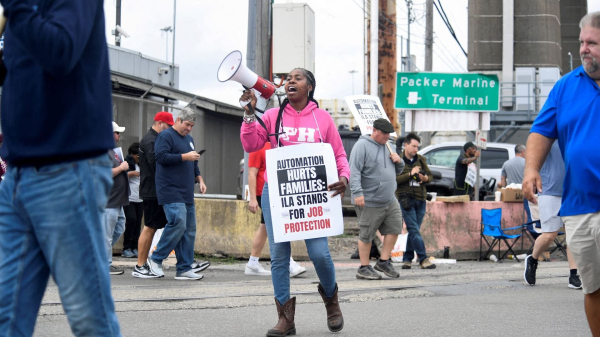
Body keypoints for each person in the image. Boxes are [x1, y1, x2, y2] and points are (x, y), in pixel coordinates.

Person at [0, 0, 122, 335]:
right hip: (17, 175)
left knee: (90, 320)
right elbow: (24, 68)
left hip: (68, 169)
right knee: (5, 318)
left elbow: (61, 51)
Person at [240, 68, 348, 335]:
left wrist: (344, 178)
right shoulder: (272, 116)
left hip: (312, 194)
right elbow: (251, 143)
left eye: (297, 78)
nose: (290, 81)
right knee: (279, 256)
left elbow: (339, 154)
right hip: (276, 195)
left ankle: (331, 302)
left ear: (309, 86)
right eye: (288, 78)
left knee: (320, 254)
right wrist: (249, 113)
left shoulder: (323, 118)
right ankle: (285, 319)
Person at [522, 12, 600, 336]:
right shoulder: (565, 87)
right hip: (580, 205)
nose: (584, 49)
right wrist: (530, 168)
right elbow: (541, 132)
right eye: (582, 42)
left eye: (592, 43)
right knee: (593, 289)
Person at [133, 111, 210, 279]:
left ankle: (184, 267)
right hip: (170, 189)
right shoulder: (165, 136)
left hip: (186, 190)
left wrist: (200, 179)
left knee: (189, 229)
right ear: (178, 120)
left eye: (192, 126)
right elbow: (161, 157)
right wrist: (185, 157)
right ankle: (156, 258)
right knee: (178, 222)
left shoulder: (189, 140)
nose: (189, 129)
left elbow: (194, 162)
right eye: (187, 124)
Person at [349, 118, 404, 281]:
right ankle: (364, 267)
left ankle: (384, 261)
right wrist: (357, 192)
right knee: (366, 234)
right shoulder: (362, 146)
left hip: (389, 199)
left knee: (395, 228)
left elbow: (398, 171)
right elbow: (354, 170)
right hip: (369, 200)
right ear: (375, 131)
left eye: (389, 134)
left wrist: (399, 161)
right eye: (385, 134)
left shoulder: (389, 146)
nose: (387, 136)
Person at [523, 141, 581, 289]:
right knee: (549, 235)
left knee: (572, 235)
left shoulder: (573, 135)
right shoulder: (547, 136)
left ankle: (574, 274)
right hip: (549, 191)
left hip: (572, 191)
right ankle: (533, 259)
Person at [245, 142, 307, 277]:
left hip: (278, 192)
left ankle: (253, 263)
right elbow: (251, 173)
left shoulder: (276, 144)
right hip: (265, 194)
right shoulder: (258, 146)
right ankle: (289, 263)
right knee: (278, 225)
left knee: (265, 227)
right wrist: (253, 198)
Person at [396, 132, 436, 270]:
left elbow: (430, 176)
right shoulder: (398, 160)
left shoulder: (421, 159)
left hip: (421, 198)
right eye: (413, 146)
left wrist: (425, 179)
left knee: (415, 230)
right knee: (413, 229)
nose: (415, 149)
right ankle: (423, 258)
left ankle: (407, 258)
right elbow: (395, 180)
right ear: (405, 145)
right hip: (406, 199)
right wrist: (410, 174)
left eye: (417, 147)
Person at [104, 122, 130, 275]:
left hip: (117, 201)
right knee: (106, 235)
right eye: (117, 132)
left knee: (119, 227)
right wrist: (121, 168)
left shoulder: (112, 151)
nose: (119, 135)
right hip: (108, 200)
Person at [122, 143, 143, 258]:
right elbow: (122, 175)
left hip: (140, 198)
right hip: (129, 198)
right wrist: (132, 173)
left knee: (138, 223)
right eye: (136, 156)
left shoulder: (142, 164)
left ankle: (135, 247)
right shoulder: (126, 163)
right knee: (131, 220)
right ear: (131, 154)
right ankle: (126, 248)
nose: (138, 158)